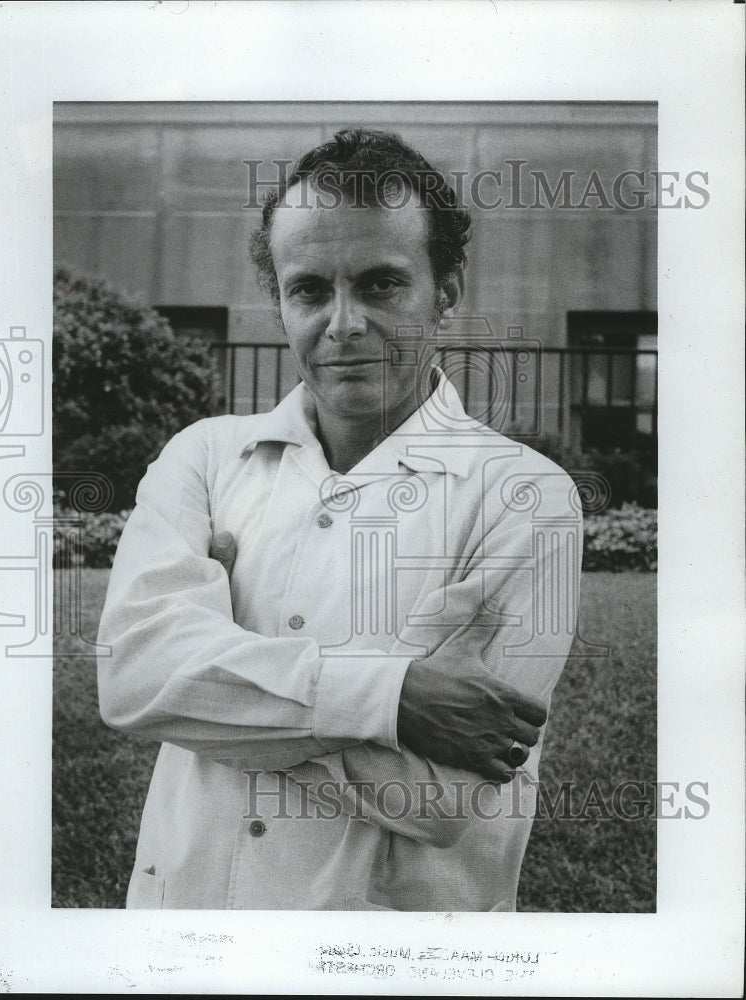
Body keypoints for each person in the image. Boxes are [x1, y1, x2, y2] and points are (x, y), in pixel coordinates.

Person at [97, 128, 582, 911]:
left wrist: (216, 680)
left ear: (446, 291)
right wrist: (395, 699)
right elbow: (132, 680)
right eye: (311, 289)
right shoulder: (204, 457)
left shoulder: (526, 497)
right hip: (184, 934)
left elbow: (437, 798)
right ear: (279, 299)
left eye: (382, 284)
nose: (344, 322)